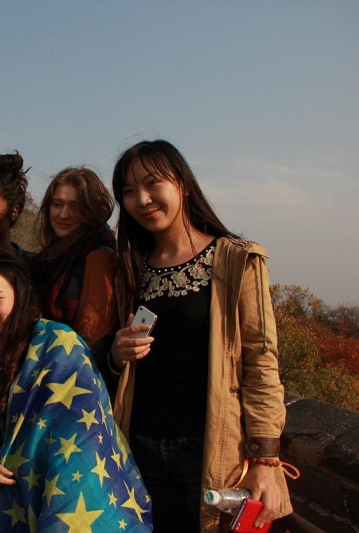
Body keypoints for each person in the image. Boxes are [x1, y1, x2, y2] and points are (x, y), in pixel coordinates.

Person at [109, 140, 292, 532]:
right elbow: (116, 364)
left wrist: (264, 461)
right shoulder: (130, 269)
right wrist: (116, 353)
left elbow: (261, 362)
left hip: (211, 450)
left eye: (152, 183)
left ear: (183, 184)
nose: (142, 199)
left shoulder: (236, 259)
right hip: (138, 446)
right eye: (129, 190)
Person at [0, 253, 152, 532]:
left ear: (20, 296)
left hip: (77, 492)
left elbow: (82, 434)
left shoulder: (59, 345)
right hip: (22, 502)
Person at [30, 167, 119, 393]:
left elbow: (92, 337)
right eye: (57, 204)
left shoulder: (98, 256)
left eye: (75, 206)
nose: (63, 214)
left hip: (70, 384)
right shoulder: (50, 257)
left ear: (91, 210)